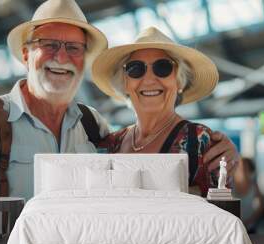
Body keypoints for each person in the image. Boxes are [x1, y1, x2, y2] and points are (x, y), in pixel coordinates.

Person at [0, 0, 238, 232]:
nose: (61, 57)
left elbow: (231, 211)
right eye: (49, 45)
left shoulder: (92, 126)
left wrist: (234, 165)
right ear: (26, 54)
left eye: (73, 48)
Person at [92, 26, 236, 196]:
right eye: (135, 68)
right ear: (125, 83)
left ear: (179, 81)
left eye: (163, 67)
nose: (150, 79)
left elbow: (227, 212)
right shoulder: (108, 145)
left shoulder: (201, 142)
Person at [234, 157, 264, 233]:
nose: (242, 170)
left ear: (250, 170)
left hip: (249, 226)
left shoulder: (254, 185)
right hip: (234, 226)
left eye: (245, 168)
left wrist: (251, 220)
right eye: (240, 167)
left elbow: (262, 205)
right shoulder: (230, 184)